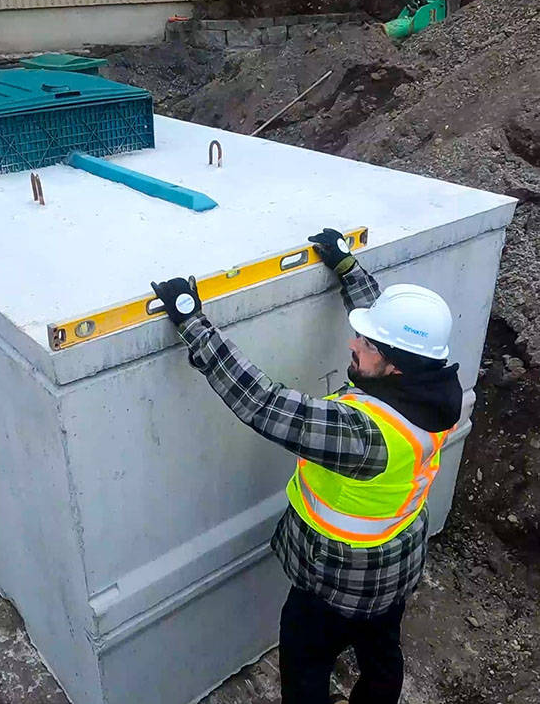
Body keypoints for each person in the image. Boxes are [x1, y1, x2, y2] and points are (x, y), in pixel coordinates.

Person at [150, 228, 463, 704]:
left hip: (341, 581)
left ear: (396, 365)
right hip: (397, 564)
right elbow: (392, 333)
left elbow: (263, 404)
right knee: (382, 654)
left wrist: (194, 324)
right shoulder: (434, 387)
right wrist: (347, 268)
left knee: (305, 666)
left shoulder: (363, 435)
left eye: (367, 343)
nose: (355, 344)